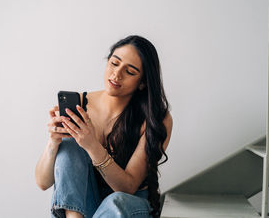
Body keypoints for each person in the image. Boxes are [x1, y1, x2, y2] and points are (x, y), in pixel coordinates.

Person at [35, 35, 173, 218]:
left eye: (130, 72)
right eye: (114, 63)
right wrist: (53, 142)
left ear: (143, 83)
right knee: (70, 145)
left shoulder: (156, 119)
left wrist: (92, 145)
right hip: (82, 209)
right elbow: (43, 183)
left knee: (116, 202)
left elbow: (127, 188)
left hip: (126, 208)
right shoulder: (80, 105)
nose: (117, 74)